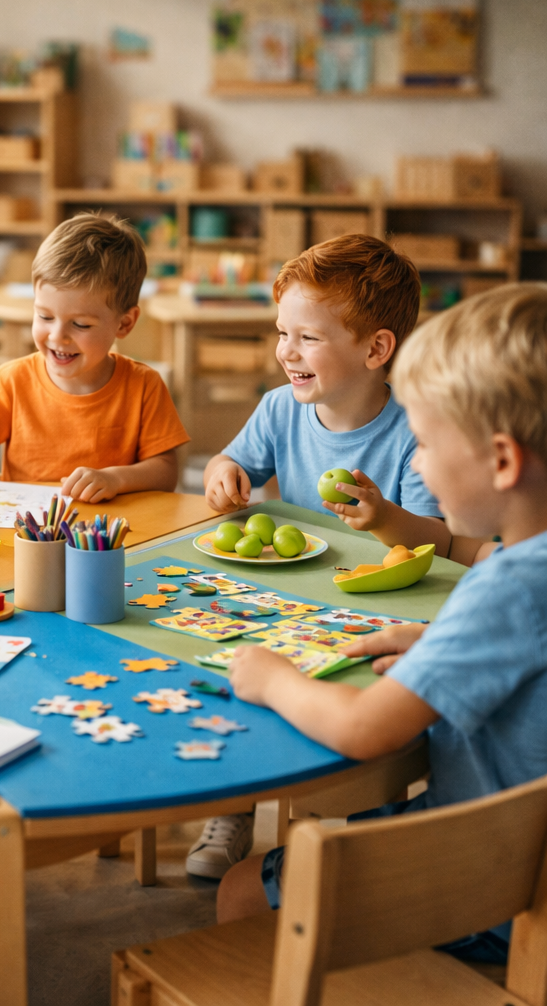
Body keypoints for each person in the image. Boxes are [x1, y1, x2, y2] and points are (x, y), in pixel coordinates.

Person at [216, 283, 547, 966]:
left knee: (242, 890)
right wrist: (435, 647)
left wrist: (270, 676)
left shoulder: (510, 582)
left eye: (424, 443)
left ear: (504, 460)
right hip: (525, 856)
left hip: (493, 882)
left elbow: (363, 731)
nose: (416, 462)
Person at [188, 235, 463, 880]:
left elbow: (442, 541)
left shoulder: (411, 429)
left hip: (381, 607)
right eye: (282, 333)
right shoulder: (279, 408)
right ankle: (232, 803)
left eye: (306, 338)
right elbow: (233, 461)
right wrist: (223, 474)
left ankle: (324, 813)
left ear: (376, 349)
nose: (286, 351)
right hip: (291, 590)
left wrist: (385, 518)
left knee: (309, 695)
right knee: (235, 662)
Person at [0, 213, 188, 505]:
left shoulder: (144, 385)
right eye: (45, 316)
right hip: (26, 536)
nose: (58, 336)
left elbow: (166, 472)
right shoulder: (12, 381)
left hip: (106, 539)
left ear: (124, 323)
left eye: (80, 324)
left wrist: (115, 479)